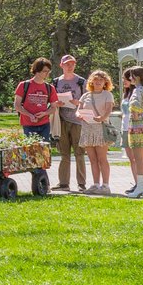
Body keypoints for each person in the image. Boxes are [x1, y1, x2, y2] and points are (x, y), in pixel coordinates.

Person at [120, 64, 143, 198]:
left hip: (137, 127)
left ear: (136, 77)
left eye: (131, 76)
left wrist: (134, 115)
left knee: (137, 158)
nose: (130, 78)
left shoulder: (137, 91)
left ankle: (141, 188)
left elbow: (135, 106)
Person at [77, 69, 115, 193]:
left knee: (102, 158)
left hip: (100, 128)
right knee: (92, 159)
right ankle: (95, 184)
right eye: (96, 79)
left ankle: (105, 185)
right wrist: (79, 114)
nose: (98, 82)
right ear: (91, 81)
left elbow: (109, 109)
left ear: (105, 82)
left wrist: (102, 118)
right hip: (87, 128)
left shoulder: (107, 94)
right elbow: (79, 109)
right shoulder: (86, 95)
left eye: (101, 80)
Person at [53, 53, 87, 191]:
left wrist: (77, 102)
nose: (70, 66)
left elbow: (88, 101)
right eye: (67, 63)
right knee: (64, 154)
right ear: (61, 65)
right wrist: (57, 103)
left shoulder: (81, 81)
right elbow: (51, 100)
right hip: (61, 121)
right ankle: (63, 184)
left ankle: (81, 184)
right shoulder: (56, 82)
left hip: (77, 121)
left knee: (79, 153)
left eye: (72, 63)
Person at [13, 57, 60, 150]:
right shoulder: (24, 85)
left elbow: (54, 107)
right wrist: (29, 115)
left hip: (44, 125)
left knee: (43, 152)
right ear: (37, 71)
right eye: (44, 71)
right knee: (30, 152)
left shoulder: (50, 88)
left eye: (48, 71)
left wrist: (45, 113)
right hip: (28, 124)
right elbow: (17, 105)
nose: (47, 73)